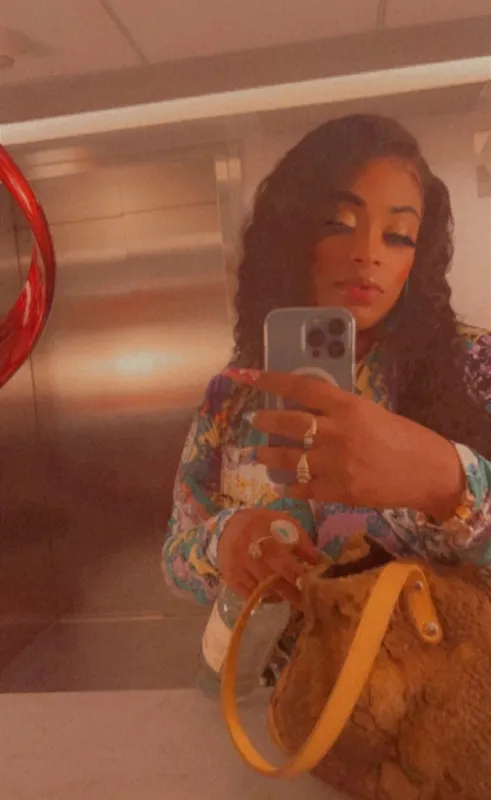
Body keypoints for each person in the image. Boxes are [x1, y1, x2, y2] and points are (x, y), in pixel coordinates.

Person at [162, 114, 491, 621]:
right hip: (286, 671)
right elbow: (176, 555)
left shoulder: (477, 364)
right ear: (291, 235)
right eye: (338, 223)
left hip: (439, 670)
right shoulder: (234, 394)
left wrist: (446, 480)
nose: (368, 254)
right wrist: (226, 541)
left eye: (398, 235)